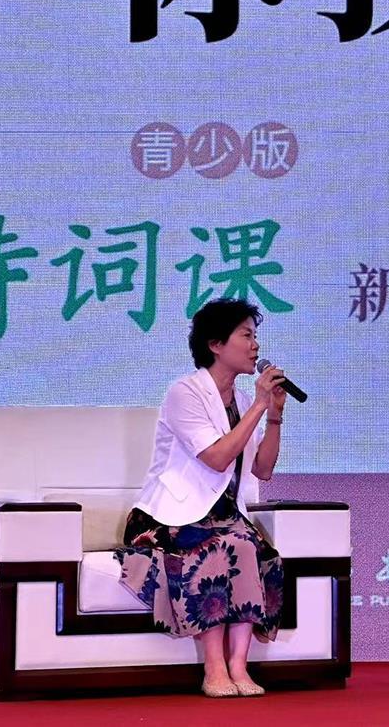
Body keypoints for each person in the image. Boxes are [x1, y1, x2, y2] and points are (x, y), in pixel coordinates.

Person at [116, 297, 289, 698]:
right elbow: (216, 458)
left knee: (255, 549)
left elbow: (262, 468)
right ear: (215, 344)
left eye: (255, 336)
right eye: (246, 336)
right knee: (218, 548)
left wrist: (274, 414)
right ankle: (214, 668)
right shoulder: (185, 393)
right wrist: (259, 405)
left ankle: (239, 666)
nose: (255, 346)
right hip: (169, 516)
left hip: (225, 515)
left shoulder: (243, 402)